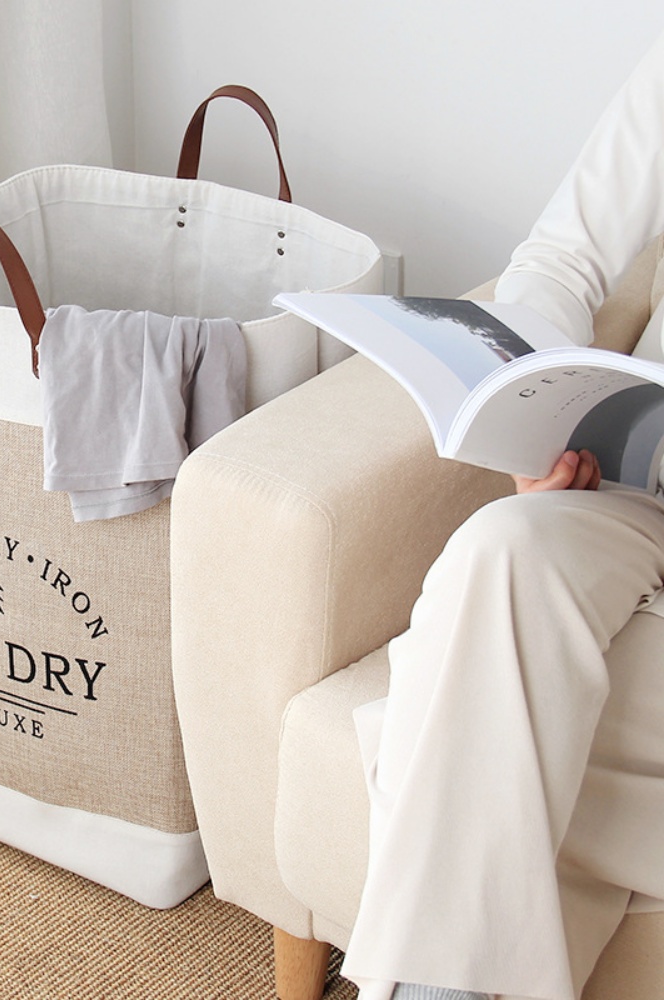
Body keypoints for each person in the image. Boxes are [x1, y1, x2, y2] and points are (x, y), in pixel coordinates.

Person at [340, 31, 664, 1000]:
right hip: (642, 491)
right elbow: (562, 258)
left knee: (457, 685)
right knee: (500, 550)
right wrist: (537, 401)